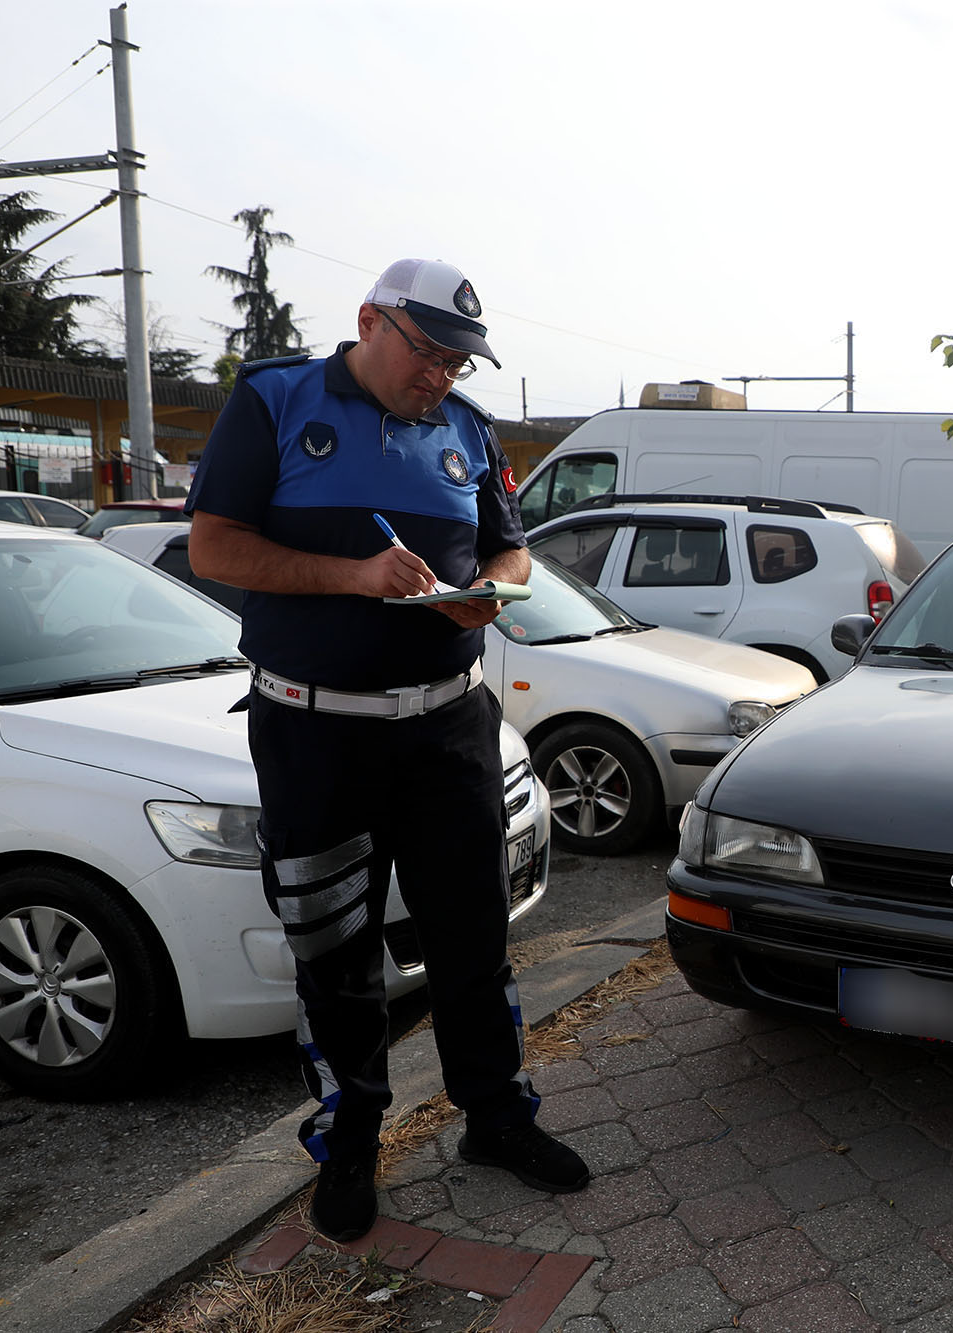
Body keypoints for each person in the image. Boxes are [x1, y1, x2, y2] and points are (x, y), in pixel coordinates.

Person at [185, 258, 588, 1243]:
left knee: (472, 935)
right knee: (334, 949)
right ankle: (352, 1144)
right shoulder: (274, 400)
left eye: (458, 362)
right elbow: (214, 547)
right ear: (370, 319)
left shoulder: (466, 428)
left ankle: (494, 1118)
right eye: (430, 353)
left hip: (451, 724)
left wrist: (489, 584)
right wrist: (353, 575)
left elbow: (513, 547)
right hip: (316, 732)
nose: (441, 376)